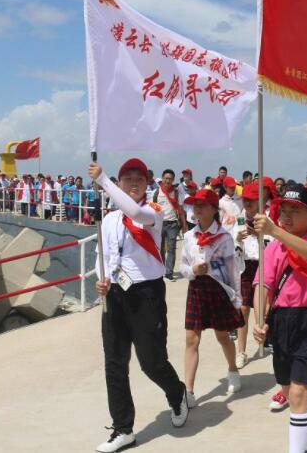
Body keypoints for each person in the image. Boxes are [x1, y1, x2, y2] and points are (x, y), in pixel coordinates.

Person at [89, 159, 189, 453]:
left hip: (146, 295)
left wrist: (102, 180)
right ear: (120, 182)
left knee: (151, 362)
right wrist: (101, 279)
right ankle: (123, 428)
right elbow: (101, 254)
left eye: (139, 178)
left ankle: (177, 393)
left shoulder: (153, 211)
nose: (133, 182)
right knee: (114, 363)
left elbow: (134, 212)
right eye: (127, 177)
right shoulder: (109, 220)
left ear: (148, 184)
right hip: (114, 295)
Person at [252, 183, 307, 453]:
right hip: (282, 321)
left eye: (295, 211)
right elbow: (262, 285)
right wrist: (259, 320)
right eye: (283, 210)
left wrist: (274, 230)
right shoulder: (273, 248)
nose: (286, 216)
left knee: (299, 394)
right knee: (289, 390)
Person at [179, 188, 244, 406]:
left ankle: (233, 370)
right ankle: (188, 390)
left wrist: (236, 299)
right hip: (196, 288)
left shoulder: (224, 237)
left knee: (223, 336)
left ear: (214, 209)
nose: (197, 208)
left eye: (203, 205)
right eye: (195, 205)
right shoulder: (189, 236)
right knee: (191, 339)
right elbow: (183, 267)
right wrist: (193, 270)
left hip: (218, 290)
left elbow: (233, 270)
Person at [234, 183, 270, 370]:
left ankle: (265, 341)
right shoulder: (238, 219)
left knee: (263, 309)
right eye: (245, 200)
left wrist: (258, 235)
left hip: (263, 266)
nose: (247, 203)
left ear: (259, 200)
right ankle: (241, 351)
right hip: (245, 267)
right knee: (243, 309)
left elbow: (274, 245)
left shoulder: (266, 219)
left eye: (251, 200)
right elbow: (230, 245)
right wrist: (237, 239)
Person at [153, 169, 186, 281]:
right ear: (162, 178)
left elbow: (180, 209)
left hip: (173, 224)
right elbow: (152, 208)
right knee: (160, 249)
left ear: (173, 180)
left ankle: (169, 273)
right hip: (160, 224)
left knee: (171, 249)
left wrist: (184, 225)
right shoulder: (156, 192)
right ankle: (161, 270)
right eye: (166, 178)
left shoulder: (176, 193)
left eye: (170, 179)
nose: (168, 181)